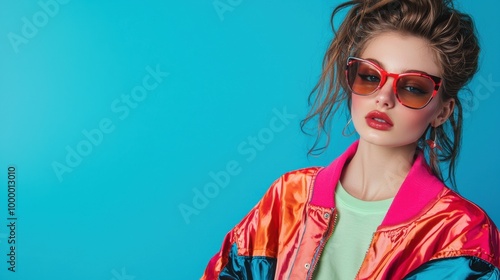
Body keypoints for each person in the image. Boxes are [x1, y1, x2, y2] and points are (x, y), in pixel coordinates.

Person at [202, 0, 500, 279]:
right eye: (370, 76)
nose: (383, 98)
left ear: (442, 111)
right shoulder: (289, 197)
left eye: (412, 87)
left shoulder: (462, 233)